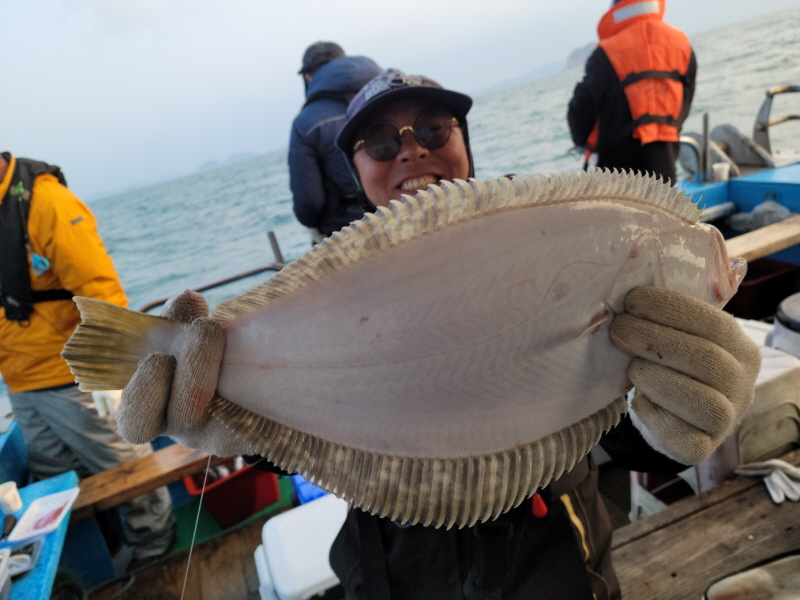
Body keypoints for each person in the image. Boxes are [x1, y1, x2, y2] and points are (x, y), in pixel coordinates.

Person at [117, 70, 760, 599]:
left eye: (432, 128)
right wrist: (227, 417)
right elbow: (303, 418)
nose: (411, 150)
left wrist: (675, 422)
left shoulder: (544, 241)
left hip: (557, 566)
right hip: (391, 572)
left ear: (465, 141)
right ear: (356, 172)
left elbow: (617, 411)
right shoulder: (319, 293)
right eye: (379, 142)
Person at [0, 152, 175, 566]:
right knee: (56, 483)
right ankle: (102, 558)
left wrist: (111, 370)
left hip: (73, 377)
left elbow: (100, 290)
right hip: (22, 384)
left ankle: (158, 551)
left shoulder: (49, 204)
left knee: (126, 469)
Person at [567, 0, 697, 183]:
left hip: (617, 169)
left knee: (619, 211)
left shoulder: (605, 52)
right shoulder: (682, 43)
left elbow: (582, 108)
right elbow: (685, 100)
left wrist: (581, 142)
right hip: (665, 160)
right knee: (662, 209)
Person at [289, 41, 382, 243]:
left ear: (308, 77)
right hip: (401, 215)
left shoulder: (306, 122)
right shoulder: (383, 96)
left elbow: (309, 201)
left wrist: (313, 228)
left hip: (348, 235)